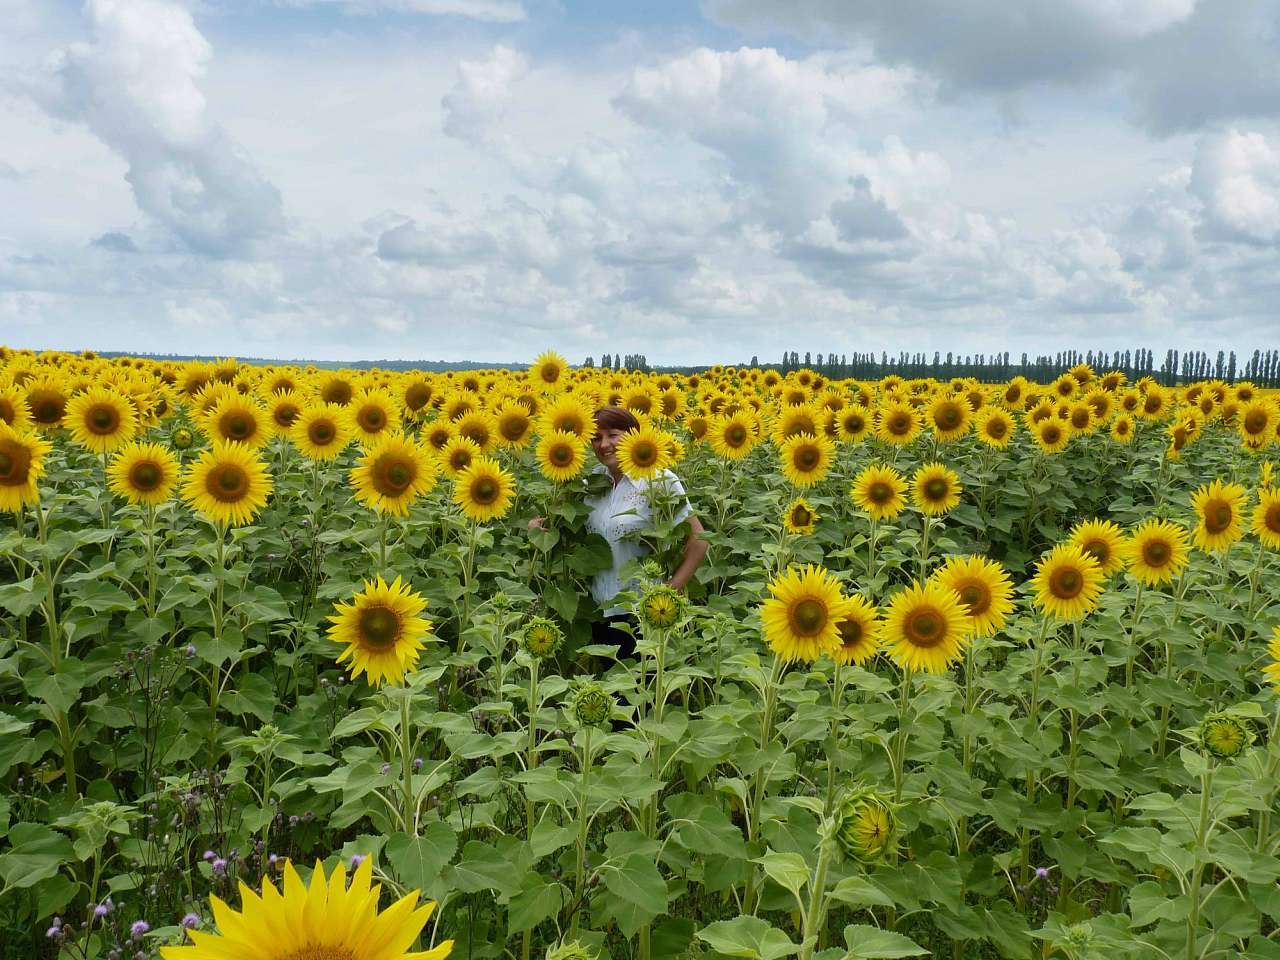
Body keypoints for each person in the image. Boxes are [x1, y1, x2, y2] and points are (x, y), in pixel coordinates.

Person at [529, 406, 708, 660]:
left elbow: (698, 540)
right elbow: (568, 525)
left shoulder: (659, 480)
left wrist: (670, 591)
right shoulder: (592, 484)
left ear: (633, 435)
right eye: (596, 438)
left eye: (612, 435)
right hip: (599, 611)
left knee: (641, 692)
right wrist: (539, 530)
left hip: (643, 611)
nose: (604, 444)